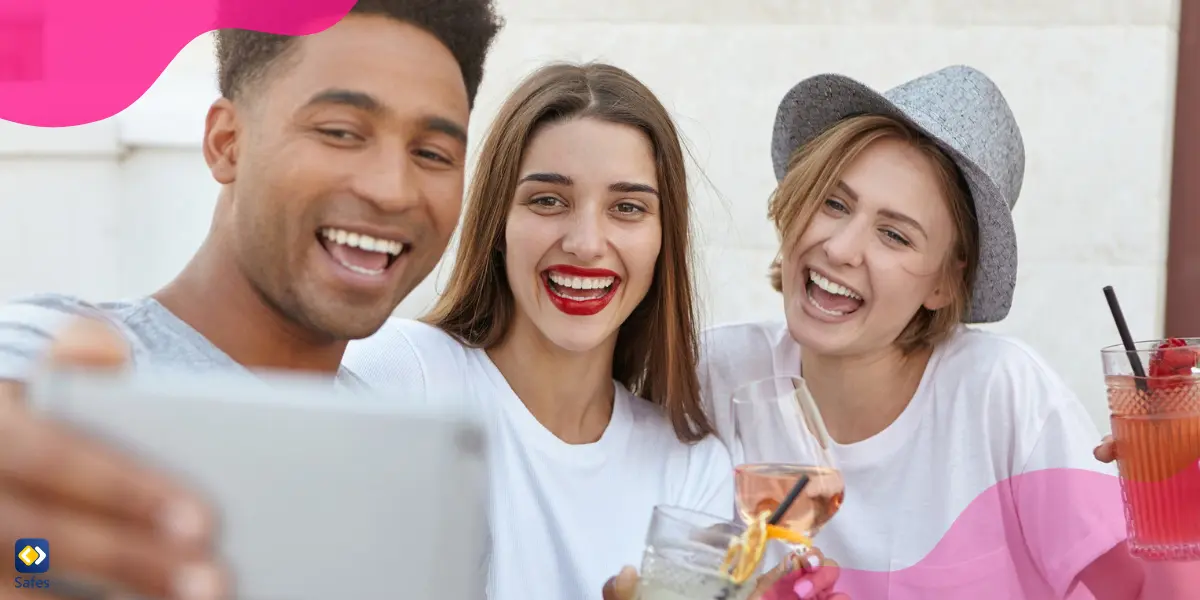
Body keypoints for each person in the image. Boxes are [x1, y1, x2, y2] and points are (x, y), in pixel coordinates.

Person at [0, 3, 502, 599]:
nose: (392, 190)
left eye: (432, 154)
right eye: (341, 132)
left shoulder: (421, 474)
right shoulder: (55, 369)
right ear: (226, 141)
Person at [343, 62, 842, 600]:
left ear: (660, 242)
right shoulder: (398, 377)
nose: (585, 242)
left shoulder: (690, 469)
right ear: (498, 225)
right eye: (548, 201)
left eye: (627, 208)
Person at [697, 65, 1196, 599]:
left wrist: (1176, 495)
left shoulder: (1001, 393)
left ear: (944, 281)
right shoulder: (719, 373)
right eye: (833, 203)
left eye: (894, 235)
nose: (840, 248)